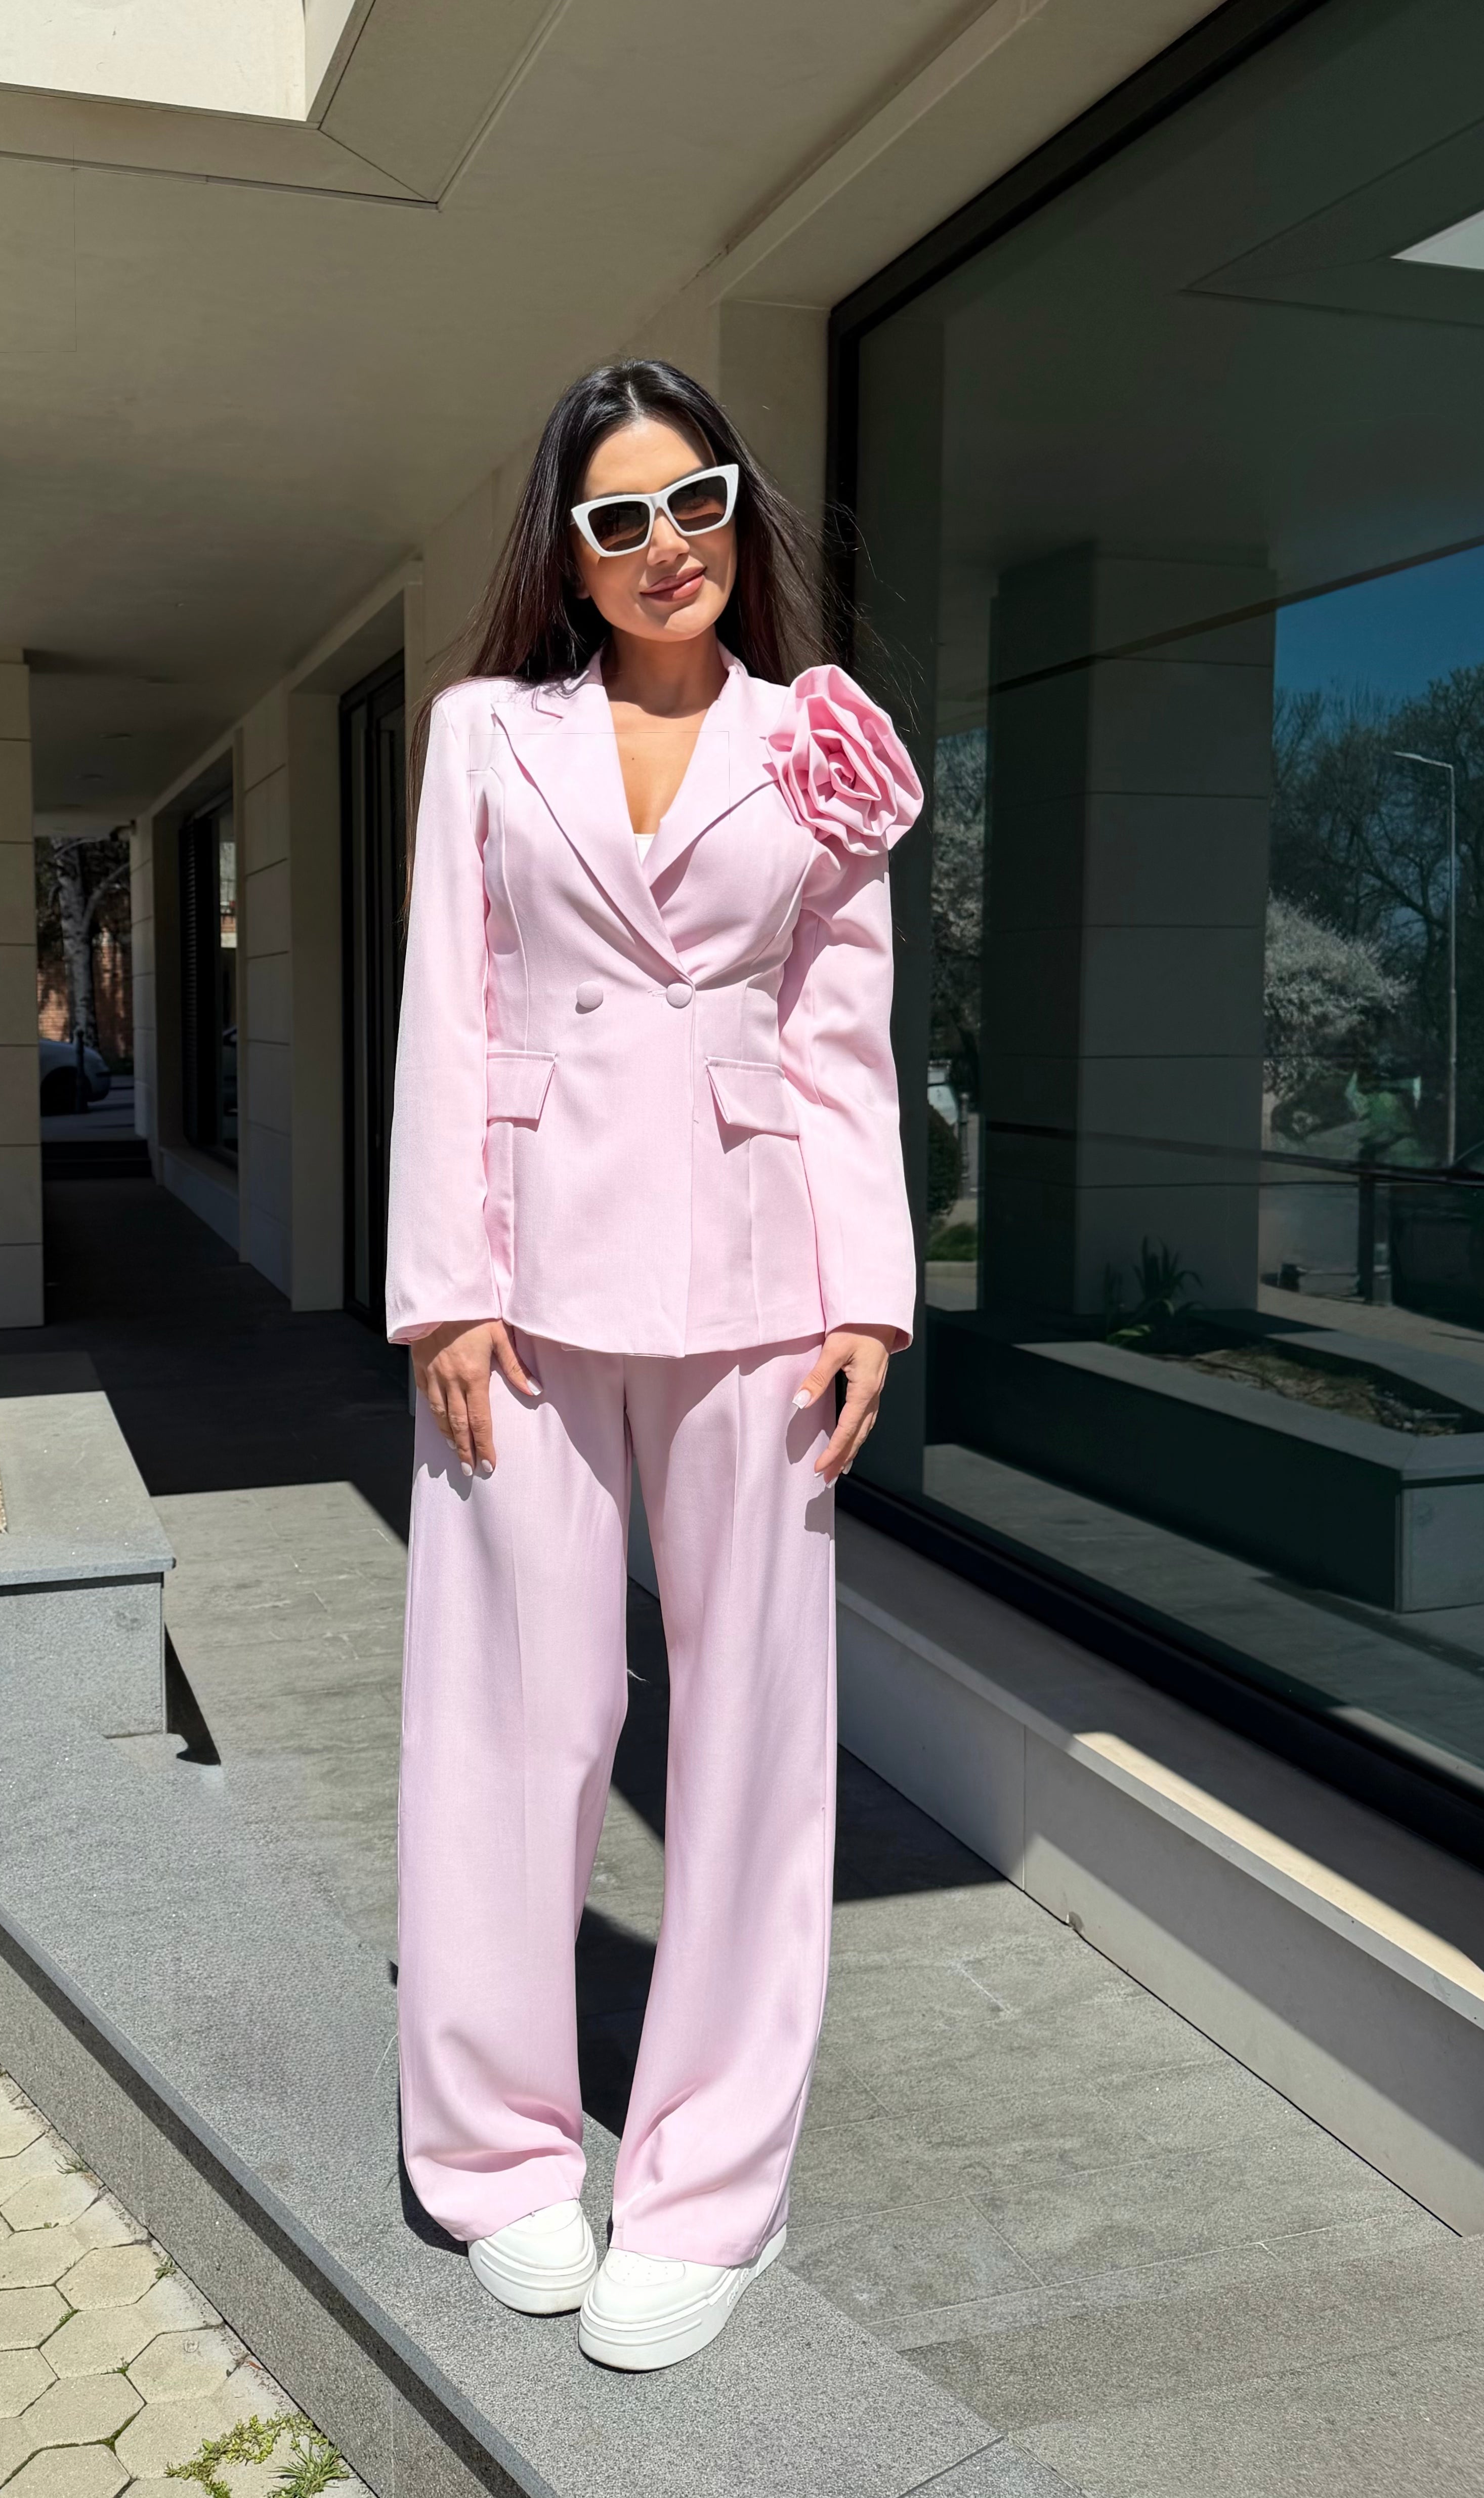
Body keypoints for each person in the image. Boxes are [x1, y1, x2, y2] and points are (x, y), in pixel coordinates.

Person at [386, 358, 921, 2371]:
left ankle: (710, 2188)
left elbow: (841, 1031)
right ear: (571, 548)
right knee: (514, 1715)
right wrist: (443, 1287)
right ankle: (498, 2149)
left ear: (735, 508)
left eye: (692, 499)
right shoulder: (484, 735)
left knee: (754, 1737)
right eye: (617, 517)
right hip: (520, 1285)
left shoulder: (813, 742)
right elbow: (448, 1007)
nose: (663, 545)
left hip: (763, 1281)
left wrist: (869, 1294)